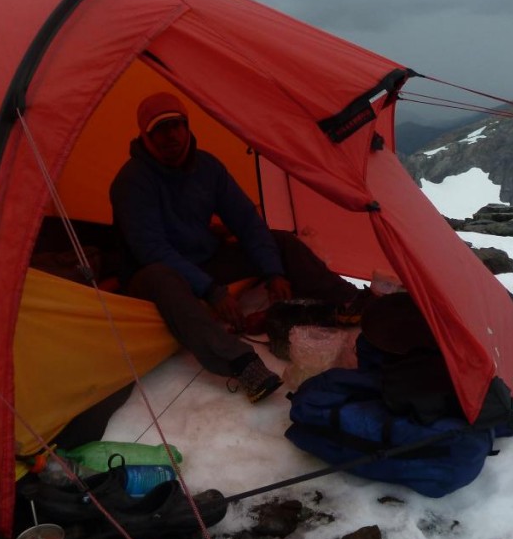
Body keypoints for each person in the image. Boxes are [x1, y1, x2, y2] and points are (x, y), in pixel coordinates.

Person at [110, 92, 362, 403]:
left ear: (187, 127)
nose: (170, 135)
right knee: (164, 277)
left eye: (176, 125)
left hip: (203, 260)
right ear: (145, 137)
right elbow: (151, 249)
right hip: (149, 276)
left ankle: (348, 301)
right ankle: (241, 363)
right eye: (159, 130)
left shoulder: (207, 168)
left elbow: (246, 221)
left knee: (281, 241)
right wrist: (211, 290)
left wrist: (273, 271)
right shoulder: (132, 182)